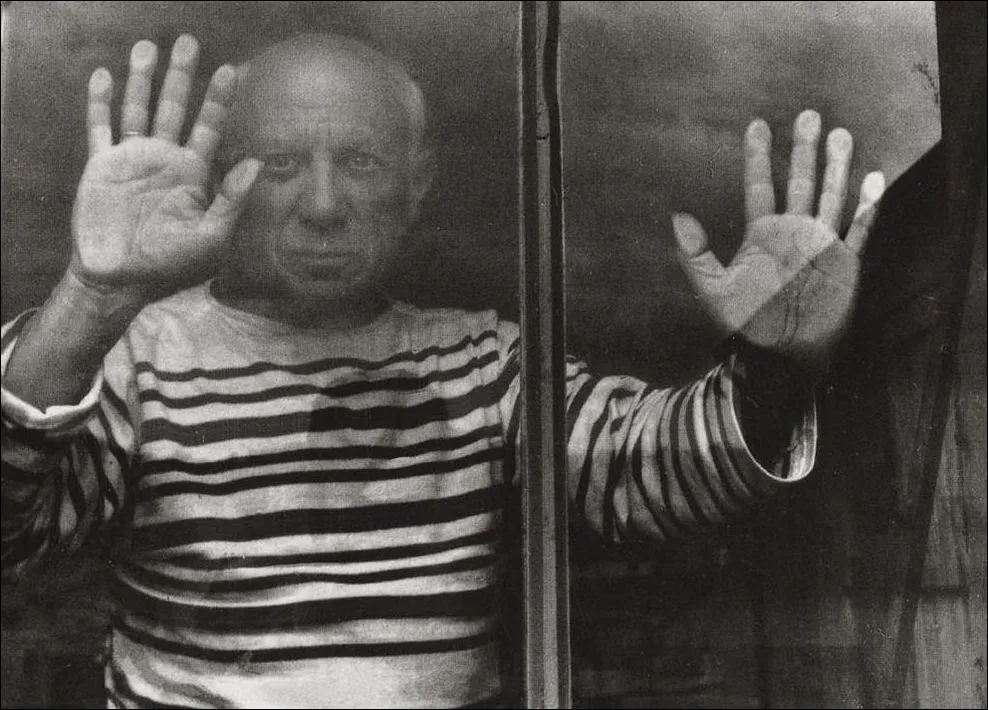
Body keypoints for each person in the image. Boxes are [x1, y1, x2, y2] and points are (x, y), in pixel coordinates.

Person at [1, 33, 885, 709]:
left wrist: (777, 361)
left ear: (417, 187)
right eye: (281, 165)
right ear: (225, 180)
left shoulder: (480, 364)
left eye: (359, 161)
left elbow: (654, 472)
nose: (321, 205)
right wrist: (90, 295)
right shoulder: (143, 360)